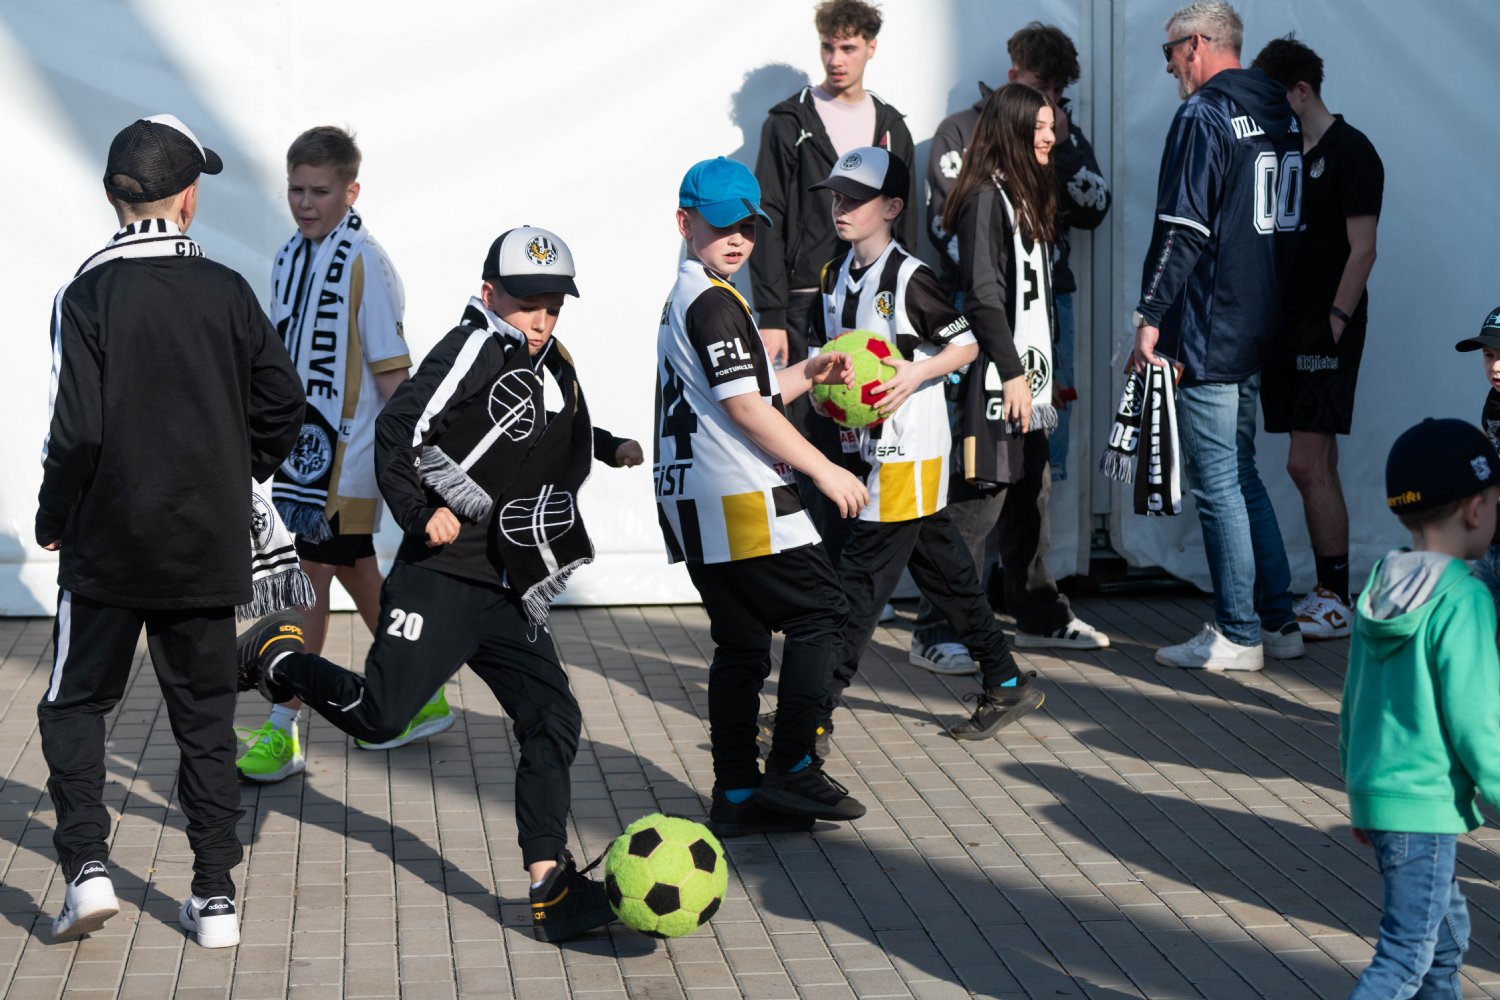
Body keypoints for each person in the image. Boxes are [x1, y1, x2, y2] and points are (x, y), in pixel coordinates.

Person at [236, 226, 643, 944]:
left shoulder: (549, 359)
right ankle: (279, 658)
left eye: (553, 304)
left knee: (552, 717)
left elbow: (547, 426)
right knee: (380, 717)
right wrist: (420, 513)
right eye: (526, 302)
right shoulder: (471, 347)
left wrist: (607, 446)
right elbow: (399, 428)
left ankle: (549, 886)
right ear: (489, 294)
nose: (541, 318)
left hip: (509, 584)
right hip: (441, 578)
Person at [37, 114, 304, 946]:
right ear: (188, 199)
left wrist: (52, 515)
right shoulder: (226, 289)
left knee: (75, 704)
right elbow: (284, 403)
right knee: (204, 719)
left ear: (114, 196)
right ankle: (215, 897)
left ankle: (87, 869)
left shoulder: (85, 294)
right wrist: (239, 470)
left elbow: (74, 432)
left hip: (107, 543)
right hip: (203, 540)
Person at [655, 156, 869, 838]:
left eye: (748, 226)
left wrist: (809, 370)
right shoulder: (713, 302)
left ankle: (739, 793)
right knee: (824, 613)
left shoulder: (696, 295)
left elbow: (749, 391)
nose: (737, 239)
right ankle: (795, 766)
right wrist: (826, 472)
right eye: (722, 225)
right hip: (738, 496)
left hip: (693, 501)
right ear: (685, 223)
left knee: (744, 645)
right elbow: (746, 409)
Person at [802, 147, 1046, 741]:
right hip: (864, 449)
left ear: (892, 208)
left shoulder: (910, 278)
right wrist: (824, 396)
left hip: (909, 450)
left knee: (858, 584)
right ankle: (1006, 681)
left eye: (856, 199)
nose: (842, 208)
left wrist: (915, 373)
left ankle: (809, 718)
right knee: (948, 576)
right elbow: (822, 356)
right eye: (836, 197)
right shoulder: (833, 276)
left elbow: (966, 345)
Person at [239, 126, 451, 785]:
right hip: (299, 458)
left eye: (320, 191)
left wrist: (415, 461)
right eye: (296, 190)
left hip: (348, 464)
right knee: (358, 572)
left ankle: (284, 725)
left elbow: (393, 373)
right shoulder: (287, 256)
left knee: (306, 577)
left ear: (350, 191)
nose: (305, 203)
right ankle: (421, 694)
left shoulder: (367, 262)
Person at [907, 83, 1110, 678]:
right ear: (1013, 129)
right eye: (1040, 127)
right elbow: (983, 297)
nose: (1051, 136)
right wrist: (1012, 372)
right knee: (979, 499)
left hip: (1033, 377)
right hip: (999, 377)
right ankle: (936, 628)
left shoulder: (1031, 190)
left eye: (1052, 125)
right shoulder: (983, 198)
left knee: (1031, 493)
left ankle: (1038, 612)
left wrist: (1038, 374)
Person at [1130, 1, 1305, 671]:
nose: (1169, 66)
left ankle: (1238, 633)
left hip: (1211, 323)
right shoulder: (1278, 109)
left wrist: (1150, 315)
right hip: (1259, 319)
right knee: (1242, 472)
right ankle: (1278, 620)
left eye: (1171, 52)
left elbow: (1185, 229)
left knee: (1218, 483)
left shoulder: (1204, 113)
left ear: (1197, 44)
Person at [752, 0, 917, 579]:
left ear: (871, 47)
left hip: (874, 299)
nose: (836, 58)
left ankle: (858, 576)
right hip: (804, 302)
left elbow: (907, 220)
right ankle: (812, 574)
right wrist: (771, 312)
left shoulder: (892, 126)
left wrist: (909, 309)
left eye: (848, 47)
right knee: (809, 434)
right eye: (828, 46)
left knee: (872, 429)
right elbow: (768, 217)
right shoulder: (788, 122)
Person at [1342, 417, 1500, 998]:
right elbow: (1477, 717)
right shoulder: (1464, 597)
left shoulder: (1381, 581)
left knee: (1446, 941)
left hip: (1382, 795)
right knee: (1405, 957)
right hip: (1424, 806)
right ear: (1475, 510)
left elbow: (1353, 699)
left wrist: (1359, 788)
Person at [926, 22, 1111, 480]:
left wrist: (1063, 149)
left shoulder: (1062, 136)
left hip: (1047, 300)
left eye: (1058, 90)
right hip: (981, 300)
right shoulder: (961, 130)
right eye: (1041, 85)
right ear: (1014, 76)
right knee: (983, 447)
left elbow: (1095, 209)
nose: (1050, 98)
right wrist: (998, 286)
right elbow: (944, 225)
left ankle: (1037, 505)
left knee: (1040, 448)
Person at [1251, 35, 1383, 640]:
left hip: (1324, 325)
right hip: (1283, 323)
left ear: (1300, 92)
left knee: (1305, 462)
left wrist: (1335, 319)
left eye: (1274, 97)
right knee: (1316, 461)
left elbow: (1364, 249)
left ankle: (1335, 595)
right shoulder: (1280, 150)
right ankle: (1331, 593)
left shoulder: (1352, 151)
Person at [1453, 306, 1500, 619]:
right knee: (1484, 634)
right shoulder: (1493, 402)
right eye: (1488, 355)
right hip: (1491, 547)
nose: (1495, 367)